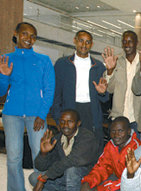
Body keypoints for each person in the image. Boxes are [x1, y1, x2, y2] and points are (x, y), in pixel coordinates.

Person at [0, 22, 55, 191]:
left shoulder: (43, 60)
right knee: (14, 158)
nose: (28, 39)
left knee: (40, 156)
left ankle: (41, 188)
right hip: (11, 115)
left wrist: (42, 114)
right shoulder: (7, 59)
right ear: (16, 33)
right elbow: (1, 92)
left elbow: (49, 90)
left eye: (33, 36)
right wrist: (3, 76)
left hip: (36, 115)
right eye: (24, 34)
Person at [51, 30, 109, 143]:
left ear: (91, 45)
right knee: (69, 147)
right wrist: (58, 119)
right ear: (75, 41)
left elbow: (105, 98)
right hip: (69, 109)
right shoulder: (62, 64)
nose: (84, 45)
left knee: (91, 146)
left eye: (88, 42)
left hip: (90, 111)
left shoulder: (99, 66)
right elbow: (56, 94)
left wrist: (101, 93)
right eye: (81, 41)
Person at [30, 109, 102, 191]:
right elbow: (41, 167)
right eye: (62, 121)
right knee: (34, 177)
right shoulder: (57, 139)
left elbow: (71, 161)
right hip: (66, 177)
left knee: (72, 170)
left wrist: (44, 178)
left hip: (87, 178)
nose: (65, 125)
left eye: (70, 121)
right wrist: (43, 154)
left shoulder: (87, 137)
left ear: (78, 123)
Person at [80, 116, 141, 191]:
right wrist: (88, 181)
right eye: (113, 131)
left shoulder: (136, 148)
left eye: (120, 131)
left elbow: (130, 179)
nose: (116, 135)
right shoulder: (111, 145)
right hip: (117, 179)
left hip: (132, 184)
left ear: (129, 131)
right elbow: (102, 167)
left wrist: (102, 188)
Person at [102, 31, 141, 138]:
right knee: (117, 152)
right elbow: (109, 89)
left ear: (137, 43)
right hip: (118, 117)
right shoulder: (116, 61)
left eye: (130, 42)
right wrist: (109, 71)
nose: (127, 45)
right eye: (124, 42)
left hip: (137, 119)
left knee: (136, 152)